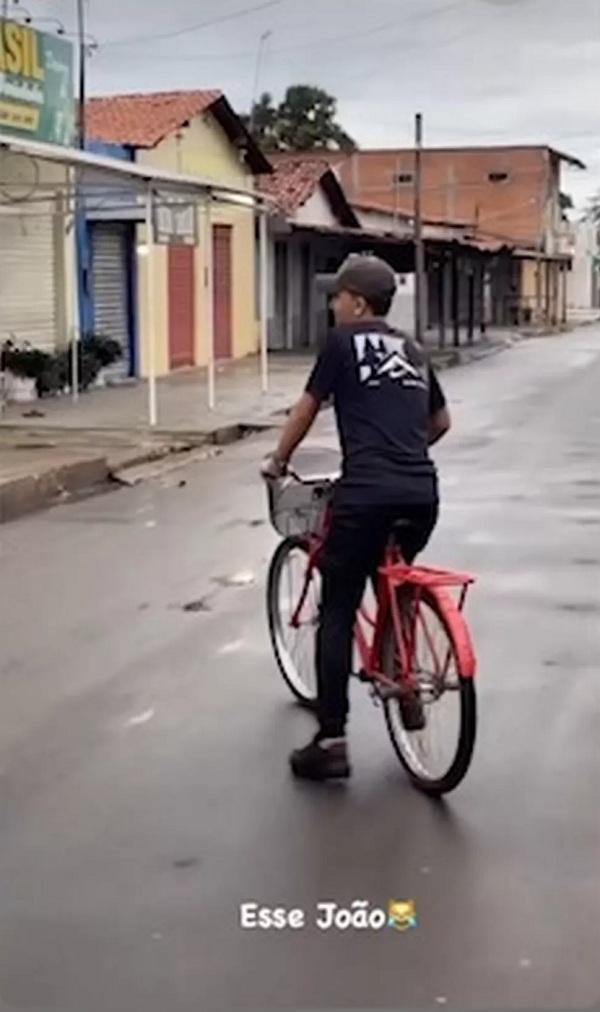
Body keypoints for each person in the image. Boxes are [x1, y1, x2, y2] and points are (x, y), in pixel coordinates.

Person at [262, 254, 451, 781]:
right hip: (421, 493)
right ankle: (402, 675)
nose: (332, 303)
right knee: (391, 575)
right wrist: (403, 449)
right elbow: (441, 422)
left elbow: (305, 408)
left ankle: (331, 739)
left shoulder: (341, 343)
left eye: (337, 296)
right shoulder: (413, 349)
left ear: (358, 302)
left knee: (339, 602)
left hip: (365, 493)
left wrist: (278, 462)